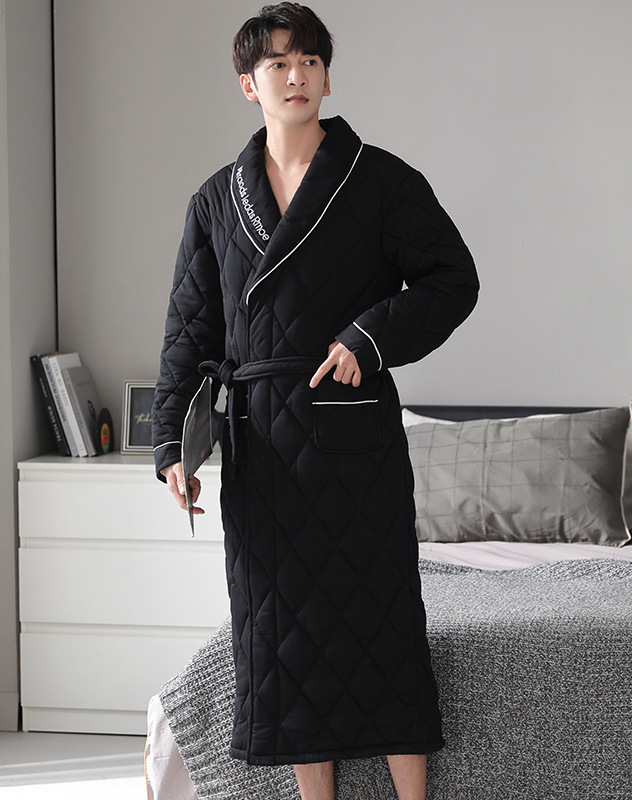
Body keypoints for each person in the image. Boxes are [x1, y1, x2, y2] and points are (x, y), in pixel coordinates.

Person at [151, 4, 479, 799]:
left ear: (327, 77)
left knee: (380, 622)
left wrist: (369, 336)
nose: (295, 75)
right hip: (262, 451)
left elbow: (453, 279)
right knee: (287, 637)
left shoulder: (380, 181)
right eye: (277, 63)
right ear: (249, 84)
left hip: (354, 440)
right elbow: (190, 332)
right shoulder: (214, 201)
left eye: (309, 61)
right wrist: (171, 449)